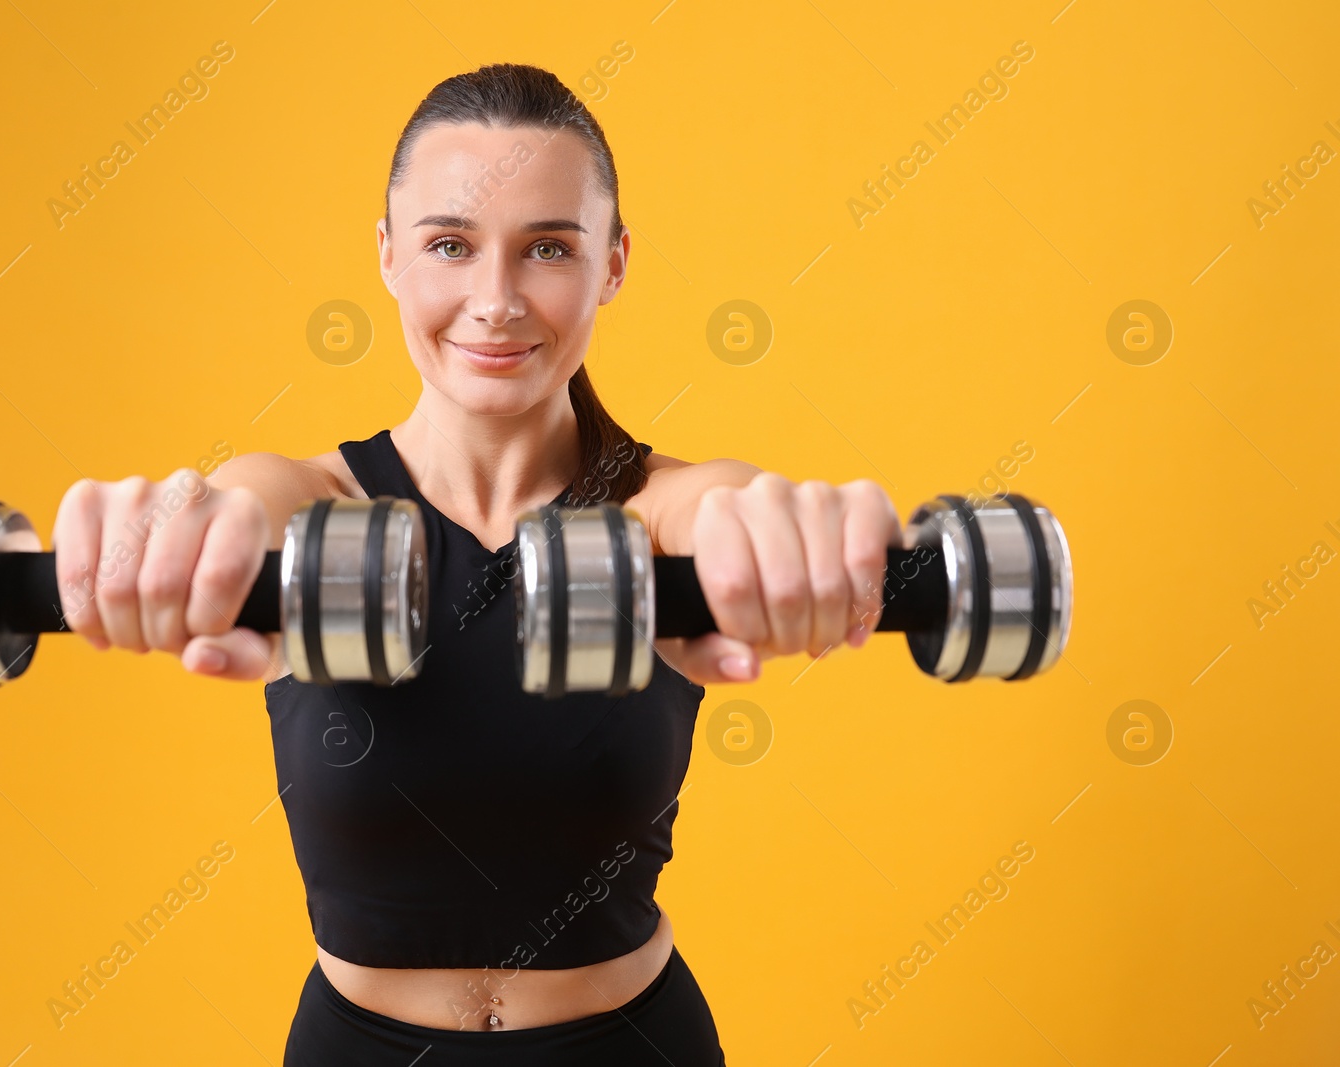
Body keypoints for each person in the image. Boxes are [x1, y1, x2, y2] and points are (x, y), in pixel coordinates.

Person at [51, 63, 900, 1065]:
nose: (494, 300)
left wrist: (769, 527)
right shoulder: (313, 505)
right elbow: (245, 506)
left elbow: (709, 508)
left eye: (547, 248)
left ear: (613, 265)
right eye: (449, 245)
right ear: (387, 257)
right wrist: (184, 529)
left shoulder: (653, 510)